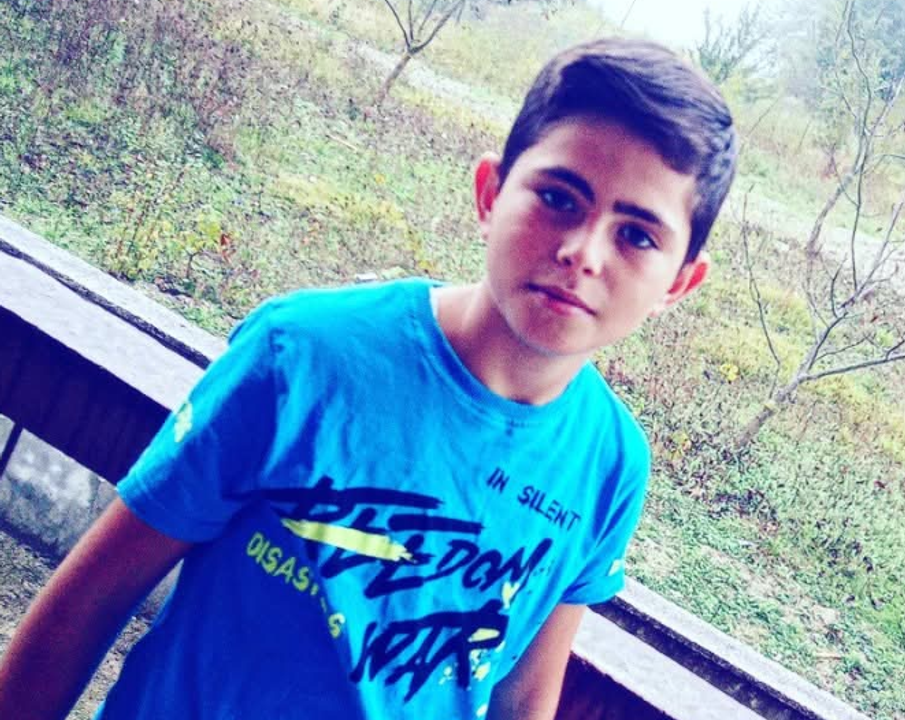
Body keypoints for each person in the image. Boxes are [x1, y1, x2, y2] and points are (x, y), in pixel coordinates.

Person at [0, 36, 737, 719]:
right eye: (558, 198)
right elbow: (94, 594)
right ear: (490, 193)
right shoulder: (303, 355)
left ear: (680, 281)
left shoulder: (610, 464)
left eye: (637, 235)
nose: (584, 252)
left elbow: (524, 699)